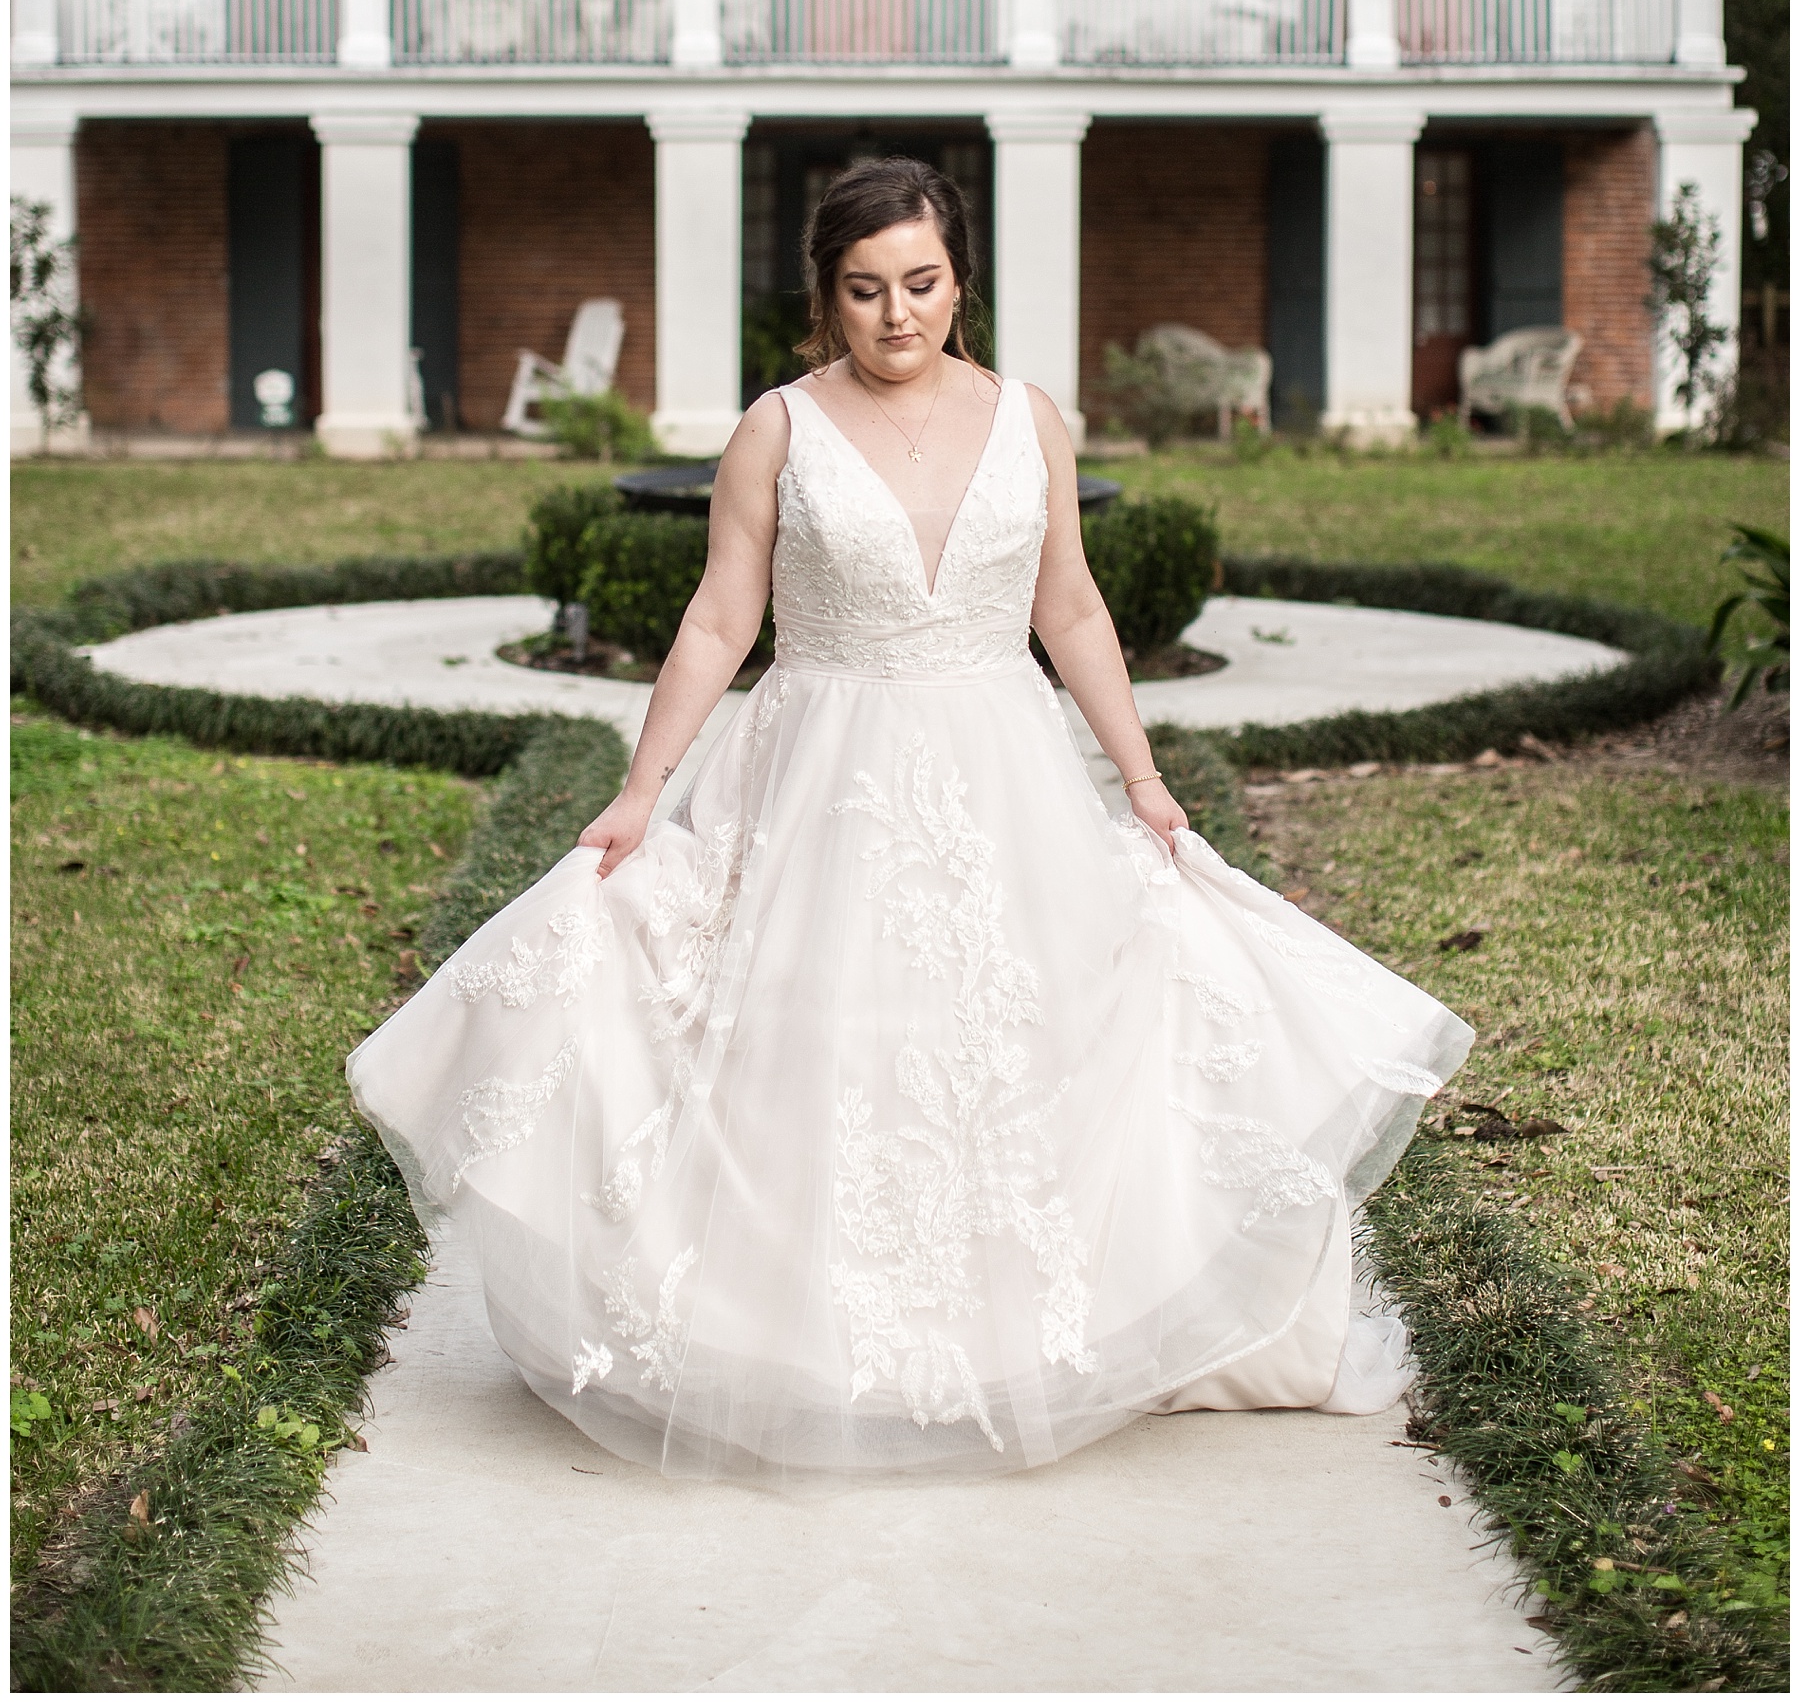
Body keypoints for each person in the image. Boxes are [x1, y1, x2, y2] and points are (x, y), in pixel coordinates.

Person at [350, 158, 1471, 1482]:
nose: (898, 316)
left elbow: (1070, 607)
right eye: (866, 289)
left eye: (923, 284)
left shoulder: (1028, 418)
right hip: (825, 765)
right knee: (813, 1050)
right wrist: (642, 788)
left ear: (962, 281)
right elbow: (722, 617)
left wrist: (1144, 776)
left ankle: (1025, 1336)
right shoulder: (778, 426)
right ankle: (801, 1345)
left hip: (1005, 764)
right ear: (826, 295)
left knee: (1019, 1034)